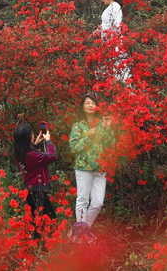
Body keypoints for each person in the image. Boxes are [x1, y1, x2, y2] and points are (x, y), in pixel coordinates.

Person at [69, 94, 113, 236]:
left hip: (101, 168)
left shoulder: (101, 124)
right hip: (83, 168)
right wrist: (89, 136)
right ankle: (81, 235)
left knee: (98, 203)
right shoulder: (78, 126)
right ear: (83, 106)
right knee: (82, 200)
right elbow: (74, 148)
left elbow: (110, 144)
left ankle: (79, 231)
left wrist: (107, 129)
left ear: (97, 106)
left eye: (93, 103)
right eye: (87, 102)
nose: (90, 105)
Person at [13, 123, 58, 239]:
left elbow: (33, 155)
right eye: (32, 134)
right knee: (48, 220)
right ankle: (44, 248)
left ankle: (37, 246)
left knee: (37, 220)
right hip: (37, 192)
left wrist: (35, 144)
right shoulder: (31, 155)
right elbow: (53, 156)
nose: (33, 135)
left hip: (30, 191)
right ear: (29, 138)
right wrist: (48, 141)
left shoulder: (20, 152)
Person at [96, 0, 130, 81]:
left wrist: (113, 39)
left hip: (113, 41)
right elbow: (106, 23)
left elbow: (117, 23)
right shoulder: (111, 7)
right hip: (107, 40)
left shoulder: (115, 6)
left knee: (114, 65)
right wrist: (98, 30)